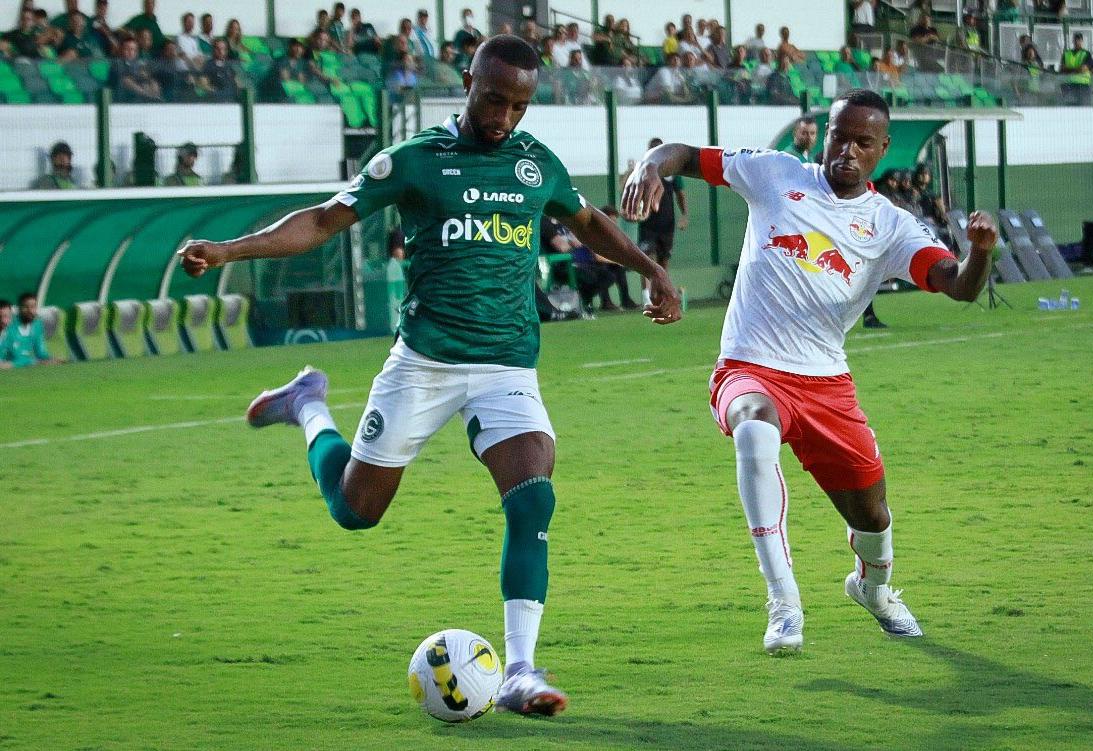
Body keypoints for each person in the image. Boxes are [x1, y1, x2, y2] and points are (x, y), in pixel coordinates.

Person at [177, 35, 681, 717]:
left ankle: (521, 670)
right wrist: (229, 249)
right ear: (467, 80)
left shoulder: (537, 166)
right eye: (494, 97)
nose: (504, 115)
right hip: (425, 361)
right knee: (356, 511)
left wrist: (651, 270)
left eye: (520, 104)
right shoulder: (414, 161)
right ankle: (307, 405)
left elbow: (589, 223)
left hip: (507, 363)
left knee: (534, 496)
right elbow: (325, 220)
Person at [621, 88, 998, 655]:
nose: (847, 150)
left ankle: (872, 589)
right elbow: (687, 155)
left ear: (883, 150)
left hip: (826, 383)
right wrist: (651, 163)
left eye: (862, 142)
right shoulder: (775, 174)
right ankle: (784, 602)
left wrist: (981, 252)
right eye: (839, 136)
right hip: (748, 367)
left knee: (872, 514)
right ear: (825, 133)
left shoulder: (889, 225)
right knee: (753, 431)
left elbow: (959, 286)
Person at [636, 137, 688, 306]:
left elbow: (680, 194)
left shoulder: (672, 175)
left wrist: (684, 215)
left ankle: (662, 294)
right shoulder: (642, 171)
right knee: (646, 259)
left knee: (663, 260)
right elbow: (630, 191)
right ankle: (646, 298)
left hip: (667, 224)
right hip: (648, 224)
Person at [0, 293, 61, 369]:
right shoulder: (9, 326)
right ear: (19, 308)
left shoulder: (37, 325)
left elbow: (41, 352)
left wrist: (51, 359)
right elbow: (16, 357)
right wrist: (37, 362)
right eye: (26, 307)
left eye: (33, 307)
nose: (30, 311)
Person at [111, 35, 162, 102]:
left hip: (142, 98)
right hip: (124, 98)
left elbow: (147, 77)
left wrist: (149, 80)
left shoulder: (141, 64)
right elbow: (124, 79)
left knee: (153, 81)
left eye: (133, 49)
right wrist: (145, 92)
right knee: (126, 80)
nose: (130, 52)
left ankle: (156, 97)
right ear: (121, 50)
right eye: (127, 49)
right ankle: (148, 96)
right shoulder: (117, 63)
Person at [199, 37, 239, 102]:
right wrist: (215, 93)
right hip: (218, 100)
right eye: (218, 49)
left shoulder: (230, 65)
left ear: (226, 50)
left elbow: (237, 82)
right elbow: (203, 83)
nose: (221, 51)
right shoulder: (208, 65)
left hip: (233, 100)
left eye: (223, 49)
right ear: (213, 50)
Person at [1060, 33, 1093, 106]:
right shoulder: (1066, 53)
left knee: (1083, 108)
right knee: (1068, 108)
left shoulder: (1086, 54)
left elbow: (1083, 69)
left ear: (1082, 41)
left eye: (1079, 39)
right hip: (1068, 85)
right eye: (1075, 39)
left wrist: (1068, 70)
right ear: (1073, 41)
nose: (1077, 41)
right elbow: (1062, 69)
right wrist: (1076, 70)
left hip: (1083, 85)